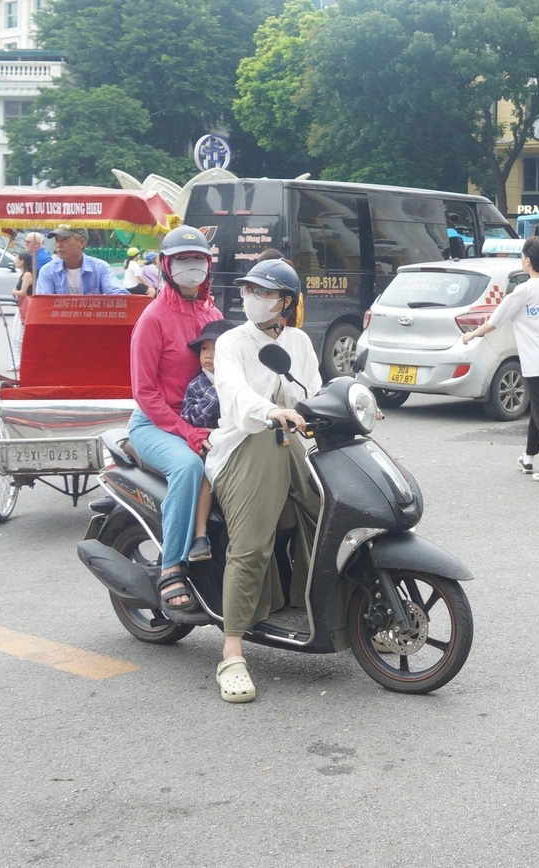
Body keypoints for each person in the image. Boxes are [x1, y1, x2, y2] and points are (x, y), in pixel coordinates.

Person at [208, 259, 322, 703]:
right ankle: (232, 652)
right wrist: (271, 410)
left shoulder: (299, 341)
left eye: (263, 291)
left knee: (325, 511)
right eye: (249, 289)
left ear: (285, 302)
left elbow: (312, 391)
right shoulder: (232, 342)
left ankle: (310, 604)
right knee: (252, 543)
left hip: (291, 440)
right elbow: (235, 393)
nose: (251, 297)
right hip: (244, 443)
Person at [126, 225, 225, 623]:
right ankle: (172, 569)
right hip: (154, 424)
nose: (192, 267)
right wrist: (188, 433)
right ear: (166, 266)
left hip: (202, 421)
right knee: (189, 466)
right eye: (183, 260)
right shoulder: (153, 319)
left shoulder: (213, 314)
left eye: (198, 259)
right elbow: (145, 394)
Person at [460, 236, 539, 482]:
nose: (522, 261)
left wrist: (471, 335)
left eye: (522, 257)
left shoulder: (523, 291)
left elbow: (493, 322)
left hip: (535, 361)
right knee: (538, 407)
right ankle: (528, 458)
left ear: (528, 261)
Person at [179, 318, 236, 562]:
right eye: (204, 349)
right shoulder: (198, 384)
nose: (209, 355)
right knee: (205, 475)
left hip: (235, 440)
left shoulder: (240, 381)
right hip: (210, 441)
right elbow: (193, 417)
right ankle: (200, 535)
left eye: (216, 349)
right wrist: (216, 390)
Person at [36, 226, 128, 295]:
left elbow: (119, 295)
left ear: (81, 243)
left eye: (65, 239)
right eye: (57, 240)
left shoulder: (101, 268)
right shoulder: (47, 271)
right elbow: (43, 303)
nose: (59, 245)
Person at [9, 251, 35, 366]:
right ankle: (16, 361)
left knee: (18, 337)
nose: (15, 262)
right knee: (15, 335)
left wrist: (13, 291)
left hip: (24, 308)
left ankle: (18, 362)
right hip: (20, 307)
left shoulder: (27, 275)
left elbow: (22, 292)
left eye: (16, 259)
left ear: (22, 261)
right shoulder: (23, 274)